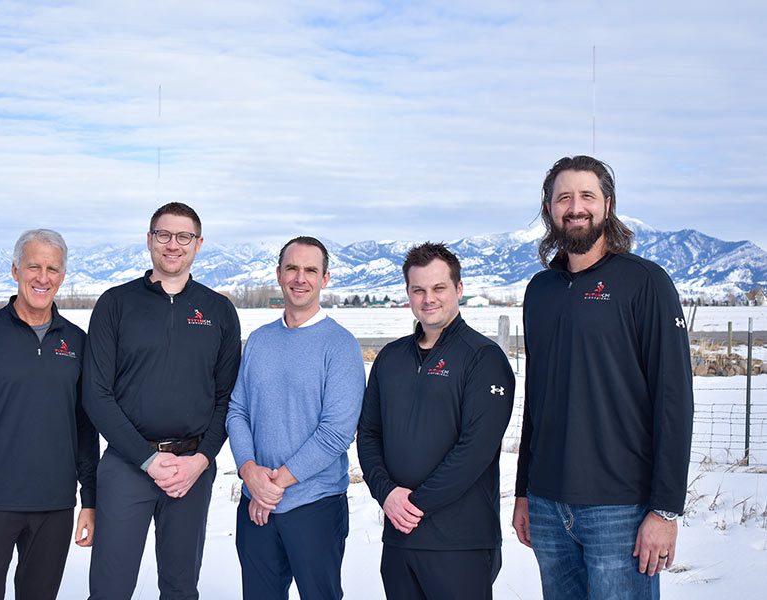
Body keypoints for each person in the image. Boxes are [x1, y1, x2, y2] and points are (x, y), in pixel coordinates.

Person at [512, 155, 694, 600]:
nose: (576, 206)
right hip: (548, 505)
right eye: (564, 197)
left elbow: (673, 400)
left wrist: (665, 511)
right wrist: (523, 491)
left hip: (620, 508)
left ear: (607, 205)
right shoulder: (540, 291)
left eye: (587, 196)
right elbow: (537, 400)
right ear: (550, 209)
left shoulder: (645, 283)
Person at [82, 202, 241, 599]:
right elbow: (96, 394)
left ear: (198, 244)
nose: (173, 245)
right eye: (164, 235)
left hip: (191, 469)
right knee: (110, 587)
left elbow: (227, 398)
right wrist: (147, 458)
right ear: (149, 240)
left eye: (183, 236)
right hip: (126, 464)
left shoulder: (219, 310)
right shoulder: (115, 304)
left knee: (181, 586)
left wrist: (202, 460)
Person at [0, 229, 98, 600]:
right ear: (15, 270)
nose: (43, 277)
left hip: (55, 506)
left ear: (63, 276)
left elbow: (86, 431)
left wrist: (89, 500)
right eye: (34, 266)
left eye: (53, 269)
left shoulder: (77, 342)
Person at [357, 242, 515, 600]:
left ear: (458, 289)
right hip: (399, 538)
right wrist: (387, 494)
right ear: (409, 294)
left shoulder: (482, 358)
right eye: (419, 290)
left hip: (459, 542)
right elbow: (368, 434)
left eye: (439, 288)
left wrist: (416, 504)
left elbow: (476, 449)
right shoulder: (390, 358)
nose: (429, 299)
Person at [226, 236, 365, 600]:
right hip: (255, 507)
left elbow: (335, 433)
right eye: (292, 268)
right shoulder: (258, 340)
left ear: (325, 278)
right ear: (278, 274)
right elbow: (238, 410)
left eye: (310, 270)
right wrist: (249, 471)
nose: (300, 278)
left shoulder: (340, 345)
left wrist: (273, 487)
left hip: (314, 506)